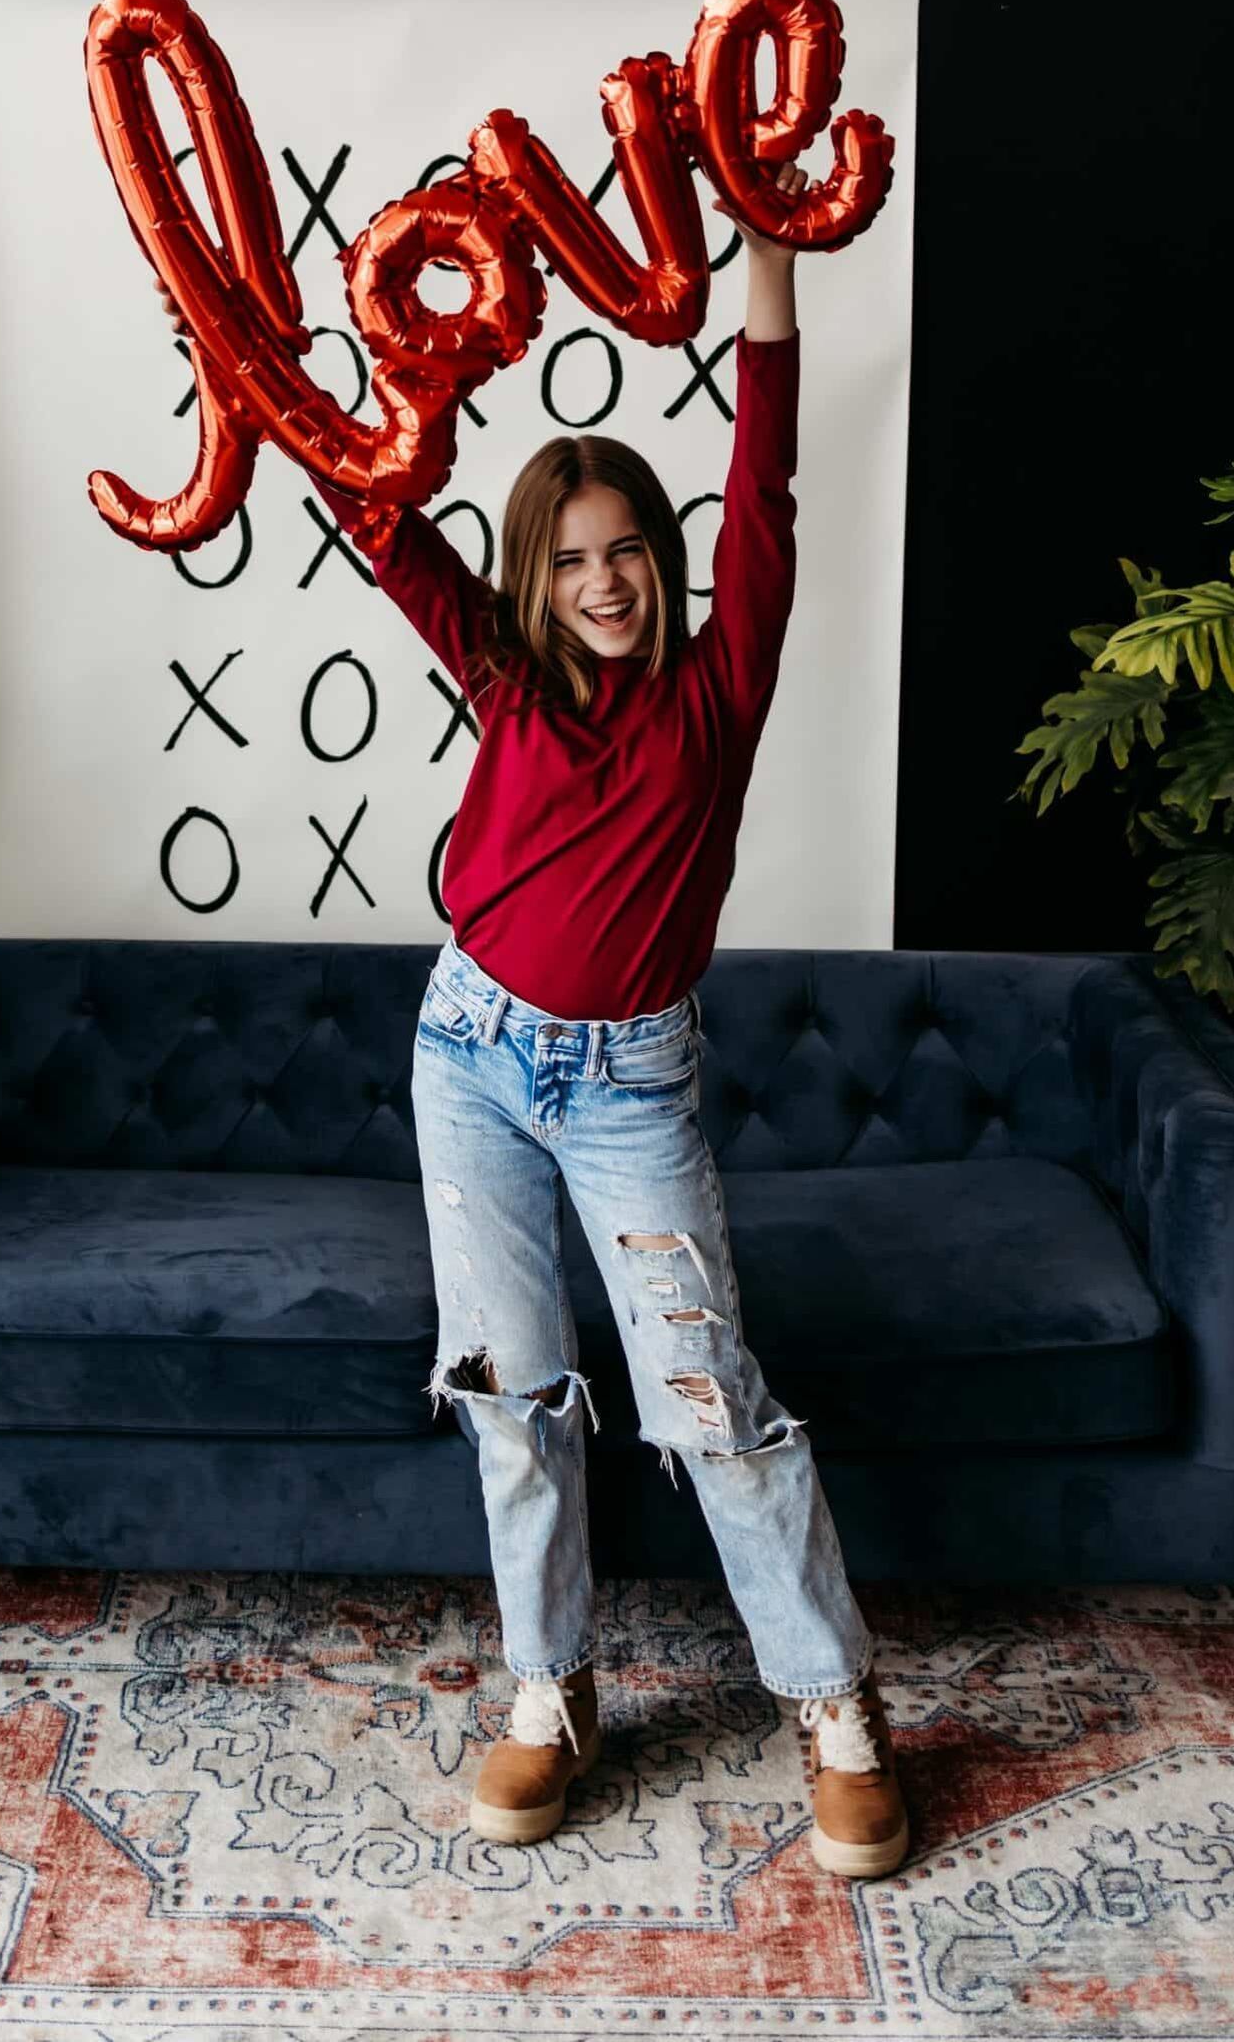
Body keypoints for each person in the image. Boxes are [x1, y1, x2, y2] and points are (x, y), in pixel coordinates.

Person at [160, 166, 909, 1880]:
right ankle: (549, 1688)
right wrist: (262, 370)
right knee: (517, 1393)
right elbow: (378, 519)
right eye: (570, 558)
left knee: (706, 1397)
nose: (605, 579)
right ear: (532, 578)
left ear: (663, 557)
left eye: (628, 548)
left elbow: (766, 479)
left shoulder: (721, 691)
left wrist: (769, 267)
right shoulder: (497, 677)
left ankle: (834, 1700)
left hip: (631, 1085)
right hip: (470, 1059)